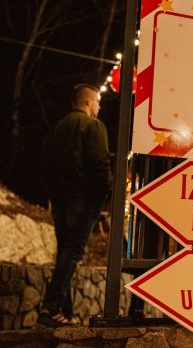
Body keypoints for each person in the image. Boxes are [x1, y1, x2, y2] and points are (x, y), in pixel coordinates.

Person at [38, 84, 113, 327]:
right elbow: (100, 164)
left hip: (59, 199)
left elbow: (45, 163)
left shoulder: (57, 128)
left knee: (66, 251)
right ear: (87, 102)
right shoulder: (93, 126)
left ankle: (64, 313)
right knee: (74, 250)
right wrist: (105, 193)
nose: (99, 106)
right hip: (84, 199)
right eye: (97, 102)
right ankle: (51, 306)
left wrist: (53, 192)